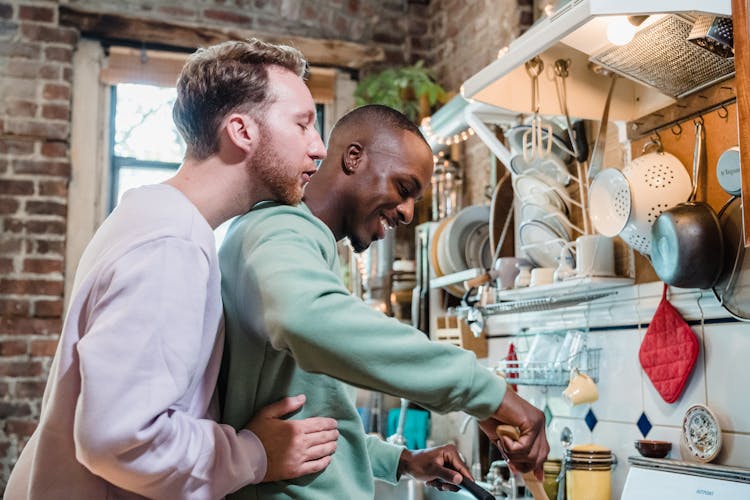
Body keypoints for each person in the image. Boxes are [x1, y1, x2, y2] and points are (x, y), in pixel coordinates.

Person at [5, 39, 340, 500]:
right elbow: (120, 438)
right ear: (242, 131)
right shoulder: (171, 243)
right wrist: (253, 454)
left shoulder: (159, 221)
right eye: (303, 124)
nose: (318, 147)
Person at [218, 104, 550, 499]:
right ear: (353, 157)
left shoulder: (301, 245)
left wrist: (401, 461)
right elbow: (303, 317)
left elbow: (309, 424)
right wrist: (488, 393)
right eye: (404, 188)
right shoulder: (278, 228)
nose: (408, 213)